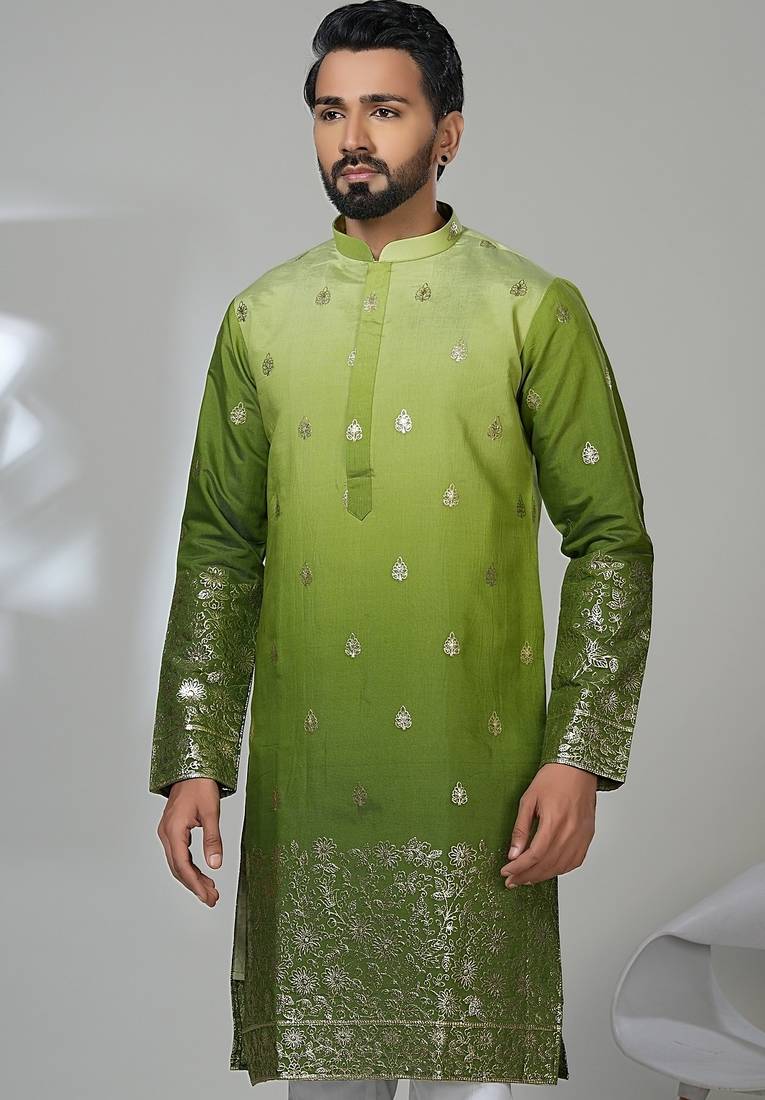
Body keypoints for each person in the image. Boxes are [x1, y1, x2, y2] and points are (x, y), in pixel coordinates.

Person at [148, 2, 655, 1095]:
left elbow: (611, 541)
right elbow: (221, 548)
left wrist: (579, 752)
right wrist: (196, 754)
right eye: (330, 111)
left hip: (480, 789)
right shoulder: (259, 317)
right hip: (309, 796)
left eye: (384, 109)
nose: (352, 138)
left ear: (448, 132)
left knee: (473, 1076)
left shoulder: (530, 308)